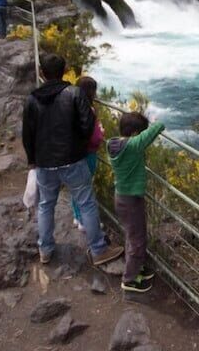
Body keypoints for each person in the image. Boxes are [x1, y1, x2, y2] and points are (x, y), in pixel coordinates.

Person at [22, 53, 123, 267]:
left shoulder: (32, 99)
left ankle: (45, 249)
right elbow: (87, 126)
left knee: (46, 205)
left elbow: (27, 134)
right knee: (86, 203)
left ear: (41, 72)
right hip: (73, 160)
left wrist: (33, 160)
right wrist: (76, 145)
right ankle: (98, 249)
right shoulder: (74, 93)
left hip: (45, 162)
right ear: (63, 70)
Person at [107, 111, 164, 293]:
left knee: (132, 235)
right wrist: (155, 121)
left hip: (122, 197)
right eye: (139, 133)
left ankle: (136, 267)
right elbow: (157, 128)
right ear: (133, 135)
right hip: (131, 200)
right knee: (137, 240)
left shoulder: (114, 143)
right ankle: (130, 279)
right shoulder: (132, 146)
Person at [71, 76, 104, 231]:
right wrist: (101, 132)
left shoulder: (70, 104)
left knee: (75, 186)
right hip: (87, 153)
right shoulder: (88, 110)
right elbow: (95, 138)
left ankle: (77, 217)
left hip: (73, 152)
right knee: (85, 187)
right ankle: (84, 221)